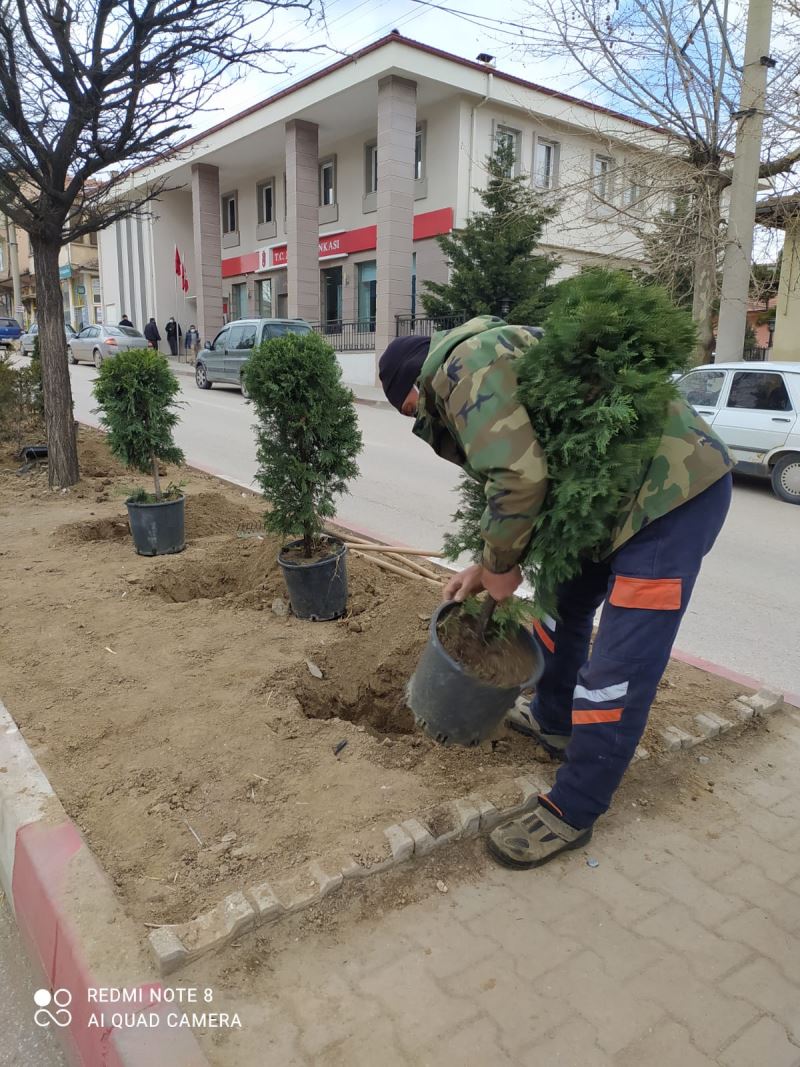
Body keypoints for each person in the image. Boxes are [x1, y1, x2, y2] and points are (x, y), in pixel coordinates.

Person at [378, 314, 733, 871]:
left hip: (670, 497)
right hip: (610, 495)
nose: (418, 423)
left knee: (617, 668)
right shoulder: (484, 357)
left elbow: (519, 478)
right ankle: (552, 719)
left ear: (414, 387)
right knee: (561, 605)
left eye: (410, 410)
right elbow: (538, 462)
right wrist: (487, 564)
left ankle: (575, 806)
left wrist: (501, 569)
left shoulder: (463, 369)